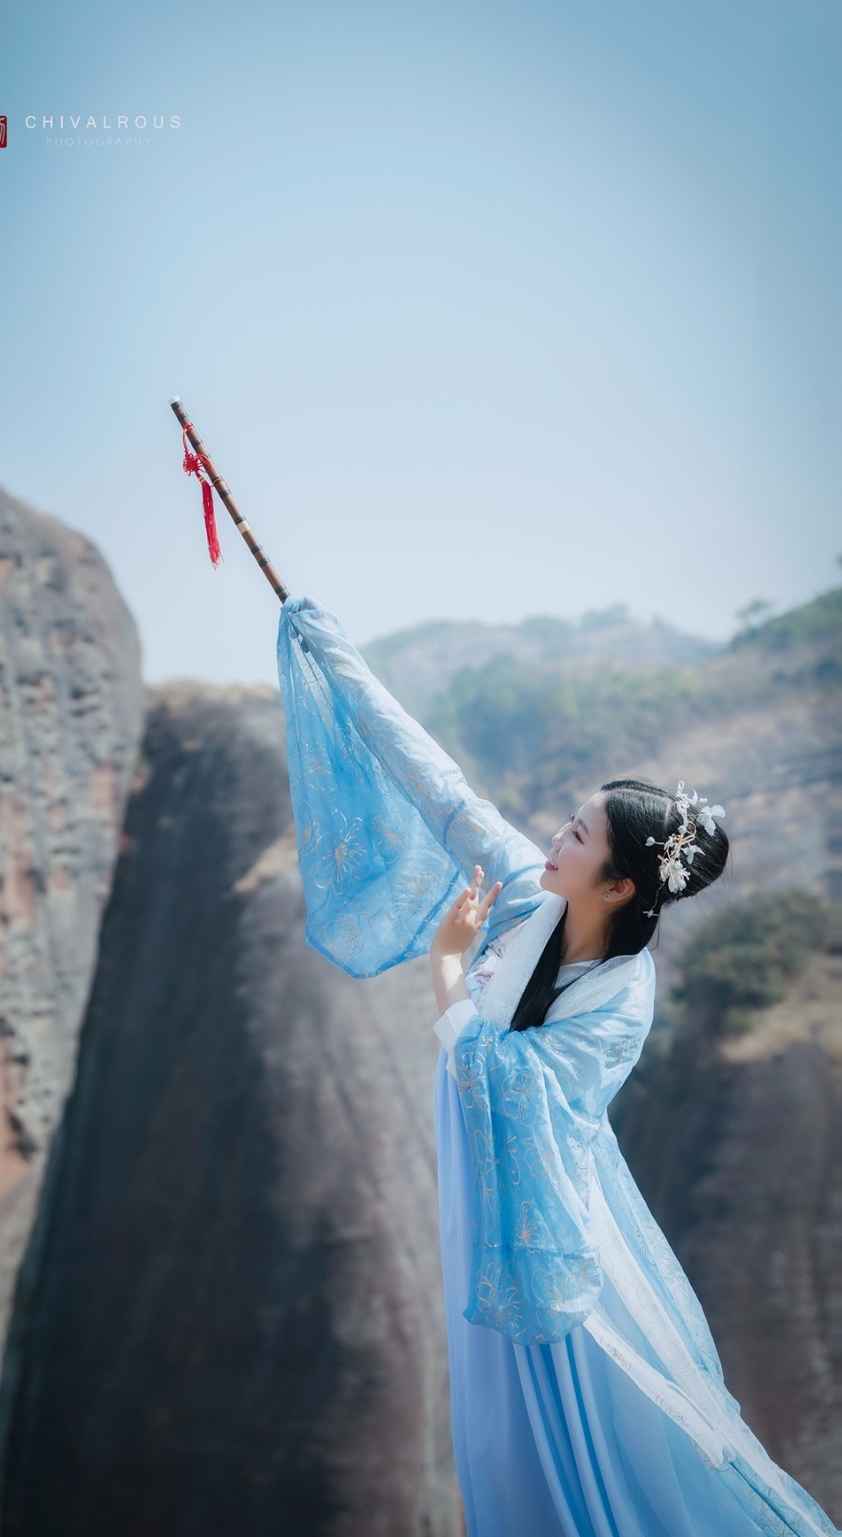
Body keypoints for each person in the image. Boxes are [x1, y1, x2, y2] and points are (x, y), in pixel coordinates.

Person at [276, 594, 840, 1537]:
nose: (556, 837)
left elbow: (510, 1085)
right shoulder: (523, 899)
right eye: (570, 821)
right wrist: (329, 654)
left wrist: (448, 968)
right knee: (497, 1436)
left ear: (618, 885)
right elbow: (440, 786)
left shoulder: (621, 995)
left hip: (552, 1231)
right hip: (484, 1192)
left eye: (578, 836)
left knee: (580, 1435)